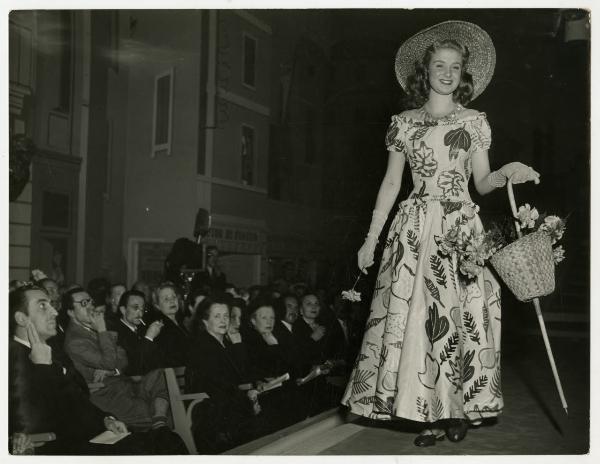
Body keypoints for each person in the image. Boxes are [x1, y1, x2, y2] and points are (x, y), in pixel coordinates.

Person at [341, 21, 540, 447]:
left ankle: (457, 408)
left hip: (461, 231)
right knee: (415, 322)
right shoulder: (403, 124)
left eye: (454, 66)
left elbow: (483, 183)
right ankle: (426, 414)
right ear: (424, 71)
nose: (447, 73)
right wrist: (370, 239)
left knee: (461, 319)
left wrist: (509, 172)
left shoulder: (474, 122)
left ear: (463, 74)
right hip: (413, 230)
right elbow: (392, 184)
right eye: (439, 65)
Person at [9, 285, 187, 455]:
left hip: (90, 432)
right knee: (163, 442)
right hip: (66, 445)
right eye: (42, 306)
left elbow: (78, 398)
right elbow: (29, 422)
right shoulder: (14, 356)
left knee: (169, 440)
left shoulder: (52, 350)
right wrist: (42, 367)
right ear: (21, 318)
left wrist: (105, 419)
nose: (54, 312)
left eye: (51, 305)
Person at [63, 287, 171, 430]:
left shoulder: (91, 328)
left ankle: (159, 424)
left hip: (125, 385)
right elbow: (110, 361)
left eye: (90, 301)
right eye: (83, 303)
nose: (90, 306)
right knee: (163, 413)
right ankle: (160, 425)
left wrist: (112, 371)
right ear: (71, 312)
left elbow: (123, 357)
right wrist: (102, 330)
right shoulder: (75, 341)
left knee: (159, 375)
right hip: (108, 396)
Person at [185, 296, 262, 452]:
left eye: (226, 316)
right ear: (205, 321)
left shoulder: (224, 343)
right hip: (208, 409)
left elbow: (242, 376)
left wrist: (251, 394)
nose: (223, 321)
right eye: (217, 316)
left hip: (224, 404)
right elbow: (219, 385)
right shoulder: (203, 346)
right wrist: (248, 402)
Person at [114, 290, 165, 375]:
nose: (140, 313)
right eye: (135, 308)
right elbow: (135, 365)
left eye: (142, 308)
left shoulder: (143, 328)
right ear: (123, 310)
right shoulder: (116, 332)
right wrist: (149, 337)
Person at [146, 282, 191, 367]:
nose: (172, 301)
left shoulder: (179, 322)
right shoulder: (160, 327)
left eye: (174, 297)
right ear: (157, 306)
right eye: (166, 299)